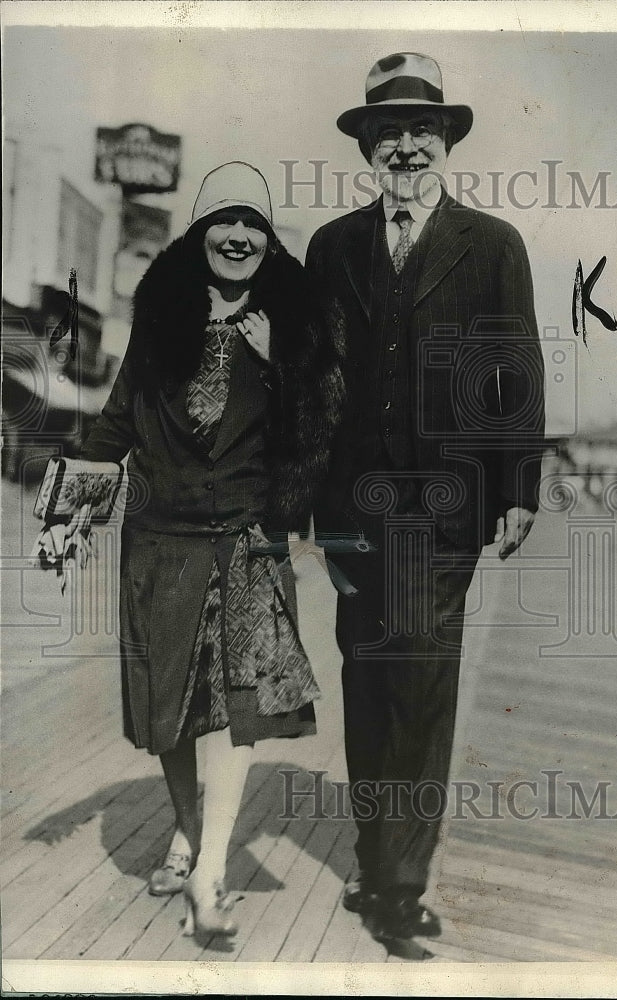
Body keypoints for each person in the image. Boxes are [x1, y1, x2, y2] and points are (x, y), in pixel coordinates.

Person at [306, 53, 545, 942]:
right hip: (353, 512)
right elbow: (311, 378)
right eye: (389, 133)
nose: (405, 147)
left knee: (423, 680)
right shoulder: (333, 247)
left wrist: (518, 487)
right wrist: (303, 497)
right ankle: (378, 863)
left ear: (445, 143)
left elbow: (514, 371)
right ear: (368, 146)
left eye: (422, 131)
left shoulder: (492, 246)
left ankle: (402, 883)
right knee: (368, 677)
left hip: (447, 509)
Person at [77, 161, 344, 938]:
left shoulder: (294, 325)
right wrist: (73, 500)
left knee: (236, 707)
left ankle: (214, 868)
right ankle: (188, 830)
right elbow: (116, 424)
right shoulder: (159, 317)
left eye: (252, 225)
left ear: (269, 241)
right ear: (199, 237)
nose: (237, 237)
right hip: (159, 540)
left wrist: (277, 365)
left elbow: (321, 438)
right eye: (223, 224)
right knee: (171, 712)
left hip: (246, 541)